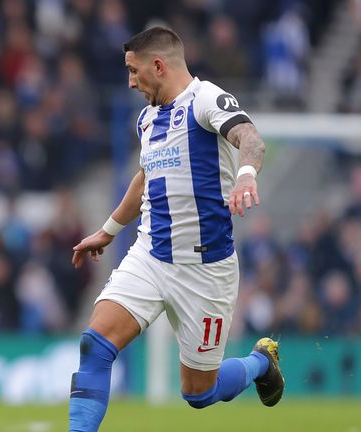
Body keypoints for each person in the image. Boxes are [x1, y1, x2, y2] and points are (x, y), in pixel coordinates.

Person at [67, 26, 284, 431]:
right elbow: (146, 176)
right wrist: (109, 230)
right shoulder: (147, 120)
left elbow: (250, 138)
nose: (130, 82)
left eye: (134, 72)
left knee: (198, 393)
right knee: (94, 345)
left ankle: (260, 363)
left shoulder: (206, 100)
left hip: (206, 270)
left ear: (159, 65)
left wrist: (246, 175)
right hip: (150, 255)